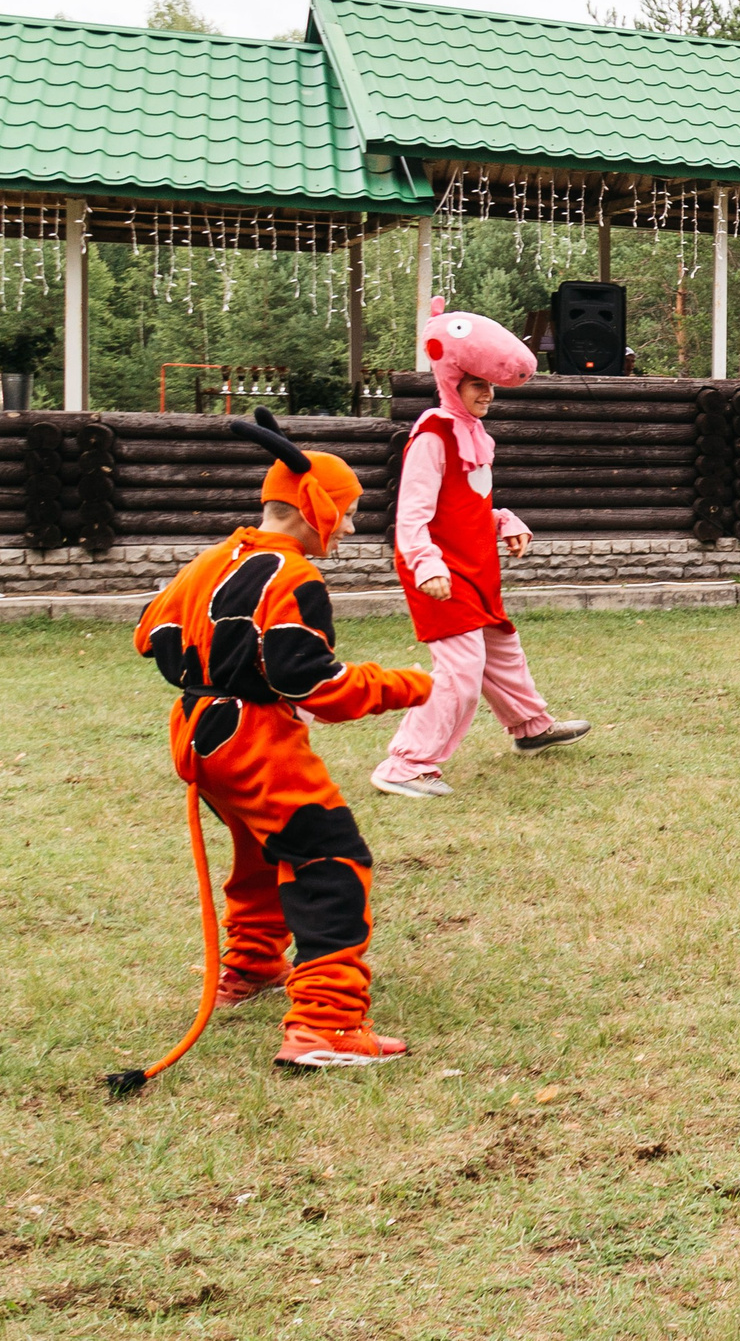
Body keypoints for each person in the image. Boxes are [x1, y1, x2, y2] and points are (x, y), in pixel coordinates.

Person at [133, 410, 434, 1069]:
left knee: (264, 851)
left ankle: (251, 964)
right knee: (331, 860)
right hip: (256, 740)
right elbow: (312, 682)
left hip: (198, 736)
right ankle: (325, 1024)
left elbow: (149, 635)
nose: (349, 527)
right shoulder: (294, 576)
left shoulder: (213, 558)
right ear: (313, 504)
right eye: (347, 512)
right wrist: (406, 685)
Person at [372, 303, 589, 799]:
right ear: (453, 383)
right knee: (460, 673)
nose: (487, 393)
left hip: (475, 567)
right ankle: (405, 764)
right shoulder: (433, 433)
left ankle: (531, 727)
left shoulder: (474, 433)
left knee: (501, 651)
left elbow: (465, 507)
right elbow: (412, 514)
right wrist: (426, 564)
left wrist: (504, 520)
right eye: (476, 385)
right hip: (440, 571)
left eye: (489, 385)